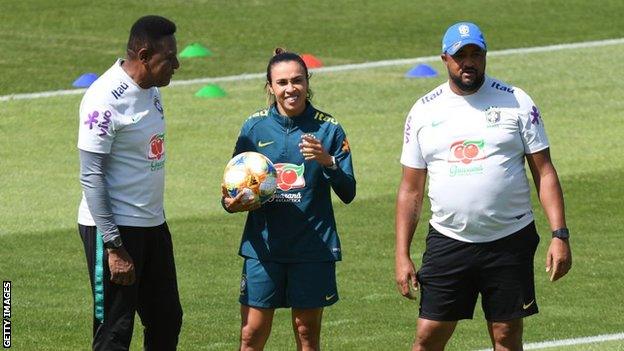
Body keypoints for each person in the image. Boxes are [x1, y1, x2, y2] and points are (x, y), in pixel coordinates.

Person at [395, 22, 572, 351]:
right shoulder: (423, 110)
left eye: (476, 54)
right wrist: (401, 254)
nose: (469, 62)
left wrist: (559, 234)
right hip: (449, 239)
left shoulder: (516, 101)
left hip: (509, 240)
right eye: (461, 56)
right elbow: (410, 189)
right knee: (428, 335)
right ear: (445, 59)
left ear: (485, 55)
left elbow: (544, 171)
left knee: (506, 334)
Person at [221, 48, 356, 351]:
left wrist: (328, 161)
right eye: (282, 83)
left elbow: (348, 192)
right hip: (264, 247)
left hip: (312, 247)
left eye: (297, 80)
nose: (290, 88)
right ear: (270, 87)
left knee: (306, 334)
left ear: (308, 82)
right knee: (250, 335)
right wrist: (231, 203)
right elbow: (231, 188)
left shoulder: (328, 129)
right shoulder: (254, 128)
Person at [76, 15, 182, 350]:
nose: (177, 64)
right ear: (145, 56)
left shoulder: (150, 88)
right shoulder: (104, 98)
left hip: (152, 222)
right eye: (169, 58)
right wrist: (113, 246)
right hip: (115, 230)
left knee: (166, 318)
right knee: (115, 331)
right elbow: (91, 175)